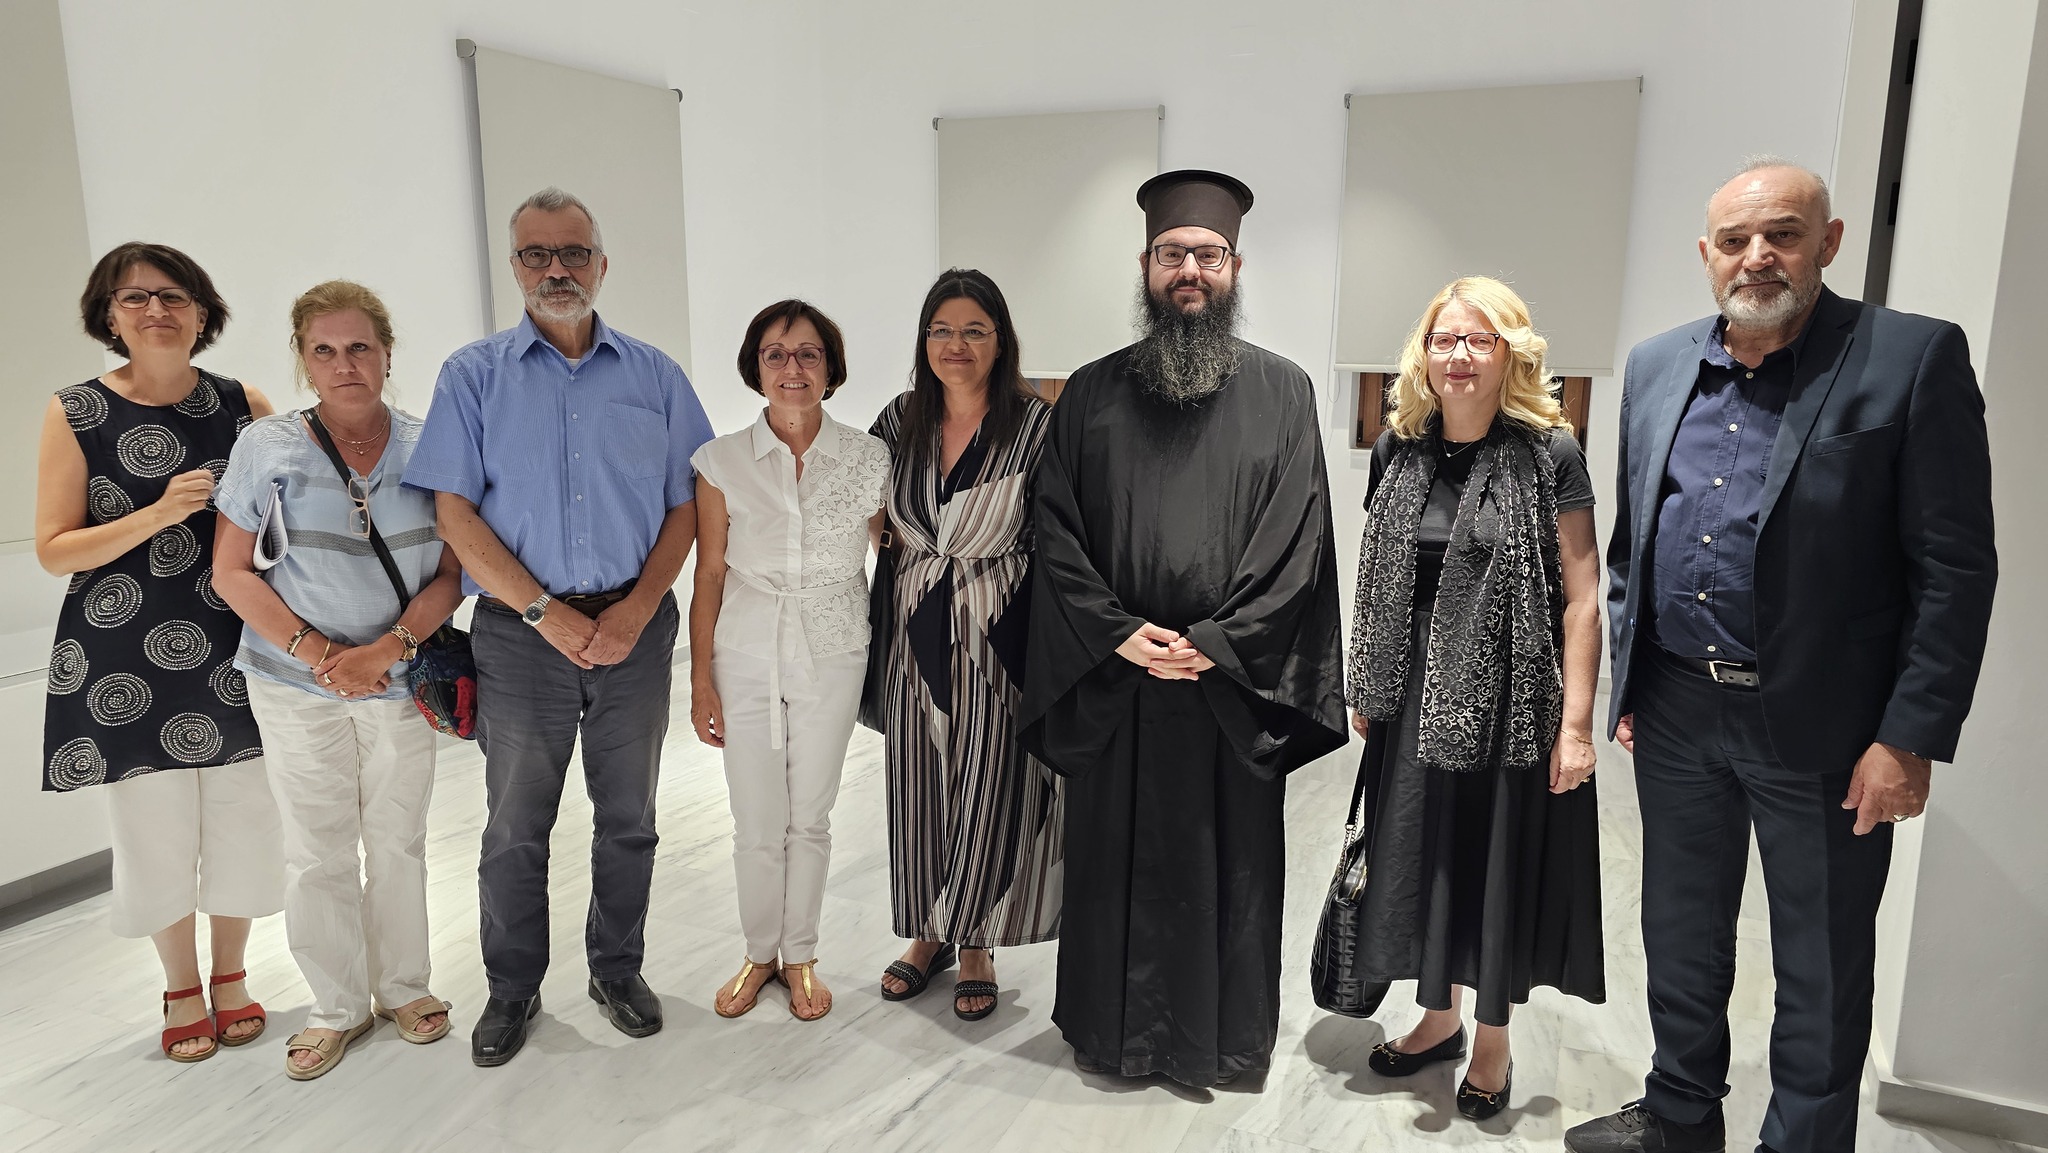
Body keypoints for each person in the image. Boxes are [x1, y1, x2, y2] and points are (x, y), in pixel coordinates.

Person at [1568, 158, 1996, 1153]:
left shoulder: (1909, 358)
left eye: (1783, 234)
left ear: (1827, 242)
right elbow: (1634, 543)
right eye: (1734, 240)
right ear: (1706, 254)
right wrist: (1631, 684)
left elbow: (1953, 568)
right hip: (1677, 711)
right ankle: (1679, 1113)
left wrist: (1908, 734)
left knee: (1819, 959)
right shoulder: (1655, 365)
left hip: (1826, 726)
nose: (1756, 256)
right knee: (1679, 933)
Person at [1020, 169, 1347, 1088]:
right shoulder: (1088, 394)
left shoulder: (1284, 392)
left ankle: (1220, 1042)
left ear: (1235, 267)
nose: (1189, 270)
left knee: (1225, 868)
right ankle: (1110, 1035)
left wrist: (1219, 641)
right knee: (1111, 867)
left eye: (1208, 254)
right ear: (1145, 266)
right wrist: (1115, 632)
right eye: (1172, 254)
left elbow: (1298, 535)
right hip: (1119, 683)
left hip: (1224, 691)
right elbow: (1055, 531)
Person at [404, 187, 715, 1066]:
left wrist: (637, 609)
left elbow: (687, 507)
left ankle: (617, 969)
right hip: (518, 633)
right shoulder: (473, 375)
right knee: (514, 824)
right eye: (536, 254)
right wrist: (543, 613)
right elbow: (455, 514)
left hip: (635, 629)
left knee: (630, 817)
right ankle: (512, 986)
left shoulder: (654, 375)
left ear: (601, 264)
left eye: (573, 252)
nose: (556, 269)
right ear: (514, 267)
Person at [1345, 277, 1605, 1120]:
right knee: (1425, 858)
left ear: (1510, 354)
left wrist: (1576, 727)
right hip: (1412, 689)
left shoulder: (1549, 452)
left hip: (1507, 696)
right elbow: (1380, 574)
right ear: (1424, 352)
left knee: (1490, 863)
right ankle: (1438, 1017)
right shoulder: (1399, 448)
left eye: (1479, 339)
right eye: (1445, 339)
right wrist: (1369, 678)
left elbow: (1583, 598)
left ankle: (1492, 1037)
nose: (1459, 355)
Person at [212, 281, 466, 1079]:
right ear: (303, 359)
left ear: (387, 353)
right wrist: (321, 653)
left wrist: (385, 649)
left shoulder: (433, 446)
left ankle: (404, 987)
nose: (344, 363)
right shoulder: (267, 447)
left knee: (398, 840)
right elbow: (230, 572)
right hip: (294, 684)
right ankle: (336, 1005)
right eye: (324, 349)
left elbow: (453, 573)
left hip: (399, 678)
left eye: (359, 347)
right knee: (315, 847)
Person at [34, 242, 281, 1062]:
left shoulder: (244, 404)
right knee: (153, 828)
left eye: (173, 296)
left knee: (246, 815)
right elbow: (55, 549)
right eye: (134, 297)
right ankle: (181, 985)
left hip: (236, 640)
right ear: (108, 315)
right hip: (123, 655)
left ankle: (233, 974)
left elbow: (284, 524)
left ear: (202, 312)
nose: (155, 310)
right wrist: (159, 513)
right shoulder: (76, 410)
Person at [688, 300, 889, 1022]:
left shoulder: (869, 458)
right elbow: (710, 571)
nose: (792, 367)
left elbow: (892, 554)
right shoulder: (720, 461)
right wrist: (699, 679)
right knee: (754, 817)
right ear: (756, 367)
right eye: (775, 354)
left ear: (831, 367)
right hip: (744, 648)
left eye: (808, 353)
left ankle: (800, 954)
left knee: (811, 814)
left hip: (836, 646)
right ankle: (758, 953)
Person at [870, 270, 1061, 1021]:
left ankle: (976, 940)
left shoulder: (1035, 426)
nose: (957, 344)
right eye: (942, 330)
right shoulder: (899, 420)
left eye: (975, 330)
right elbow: (870, 515)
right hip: (913, 627)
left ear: (1000, 341)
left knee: (989, 783)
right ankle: (928, 932)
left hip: (999, 630)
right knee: (918, 785)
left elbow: (1057, 536)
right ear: (925, 341)